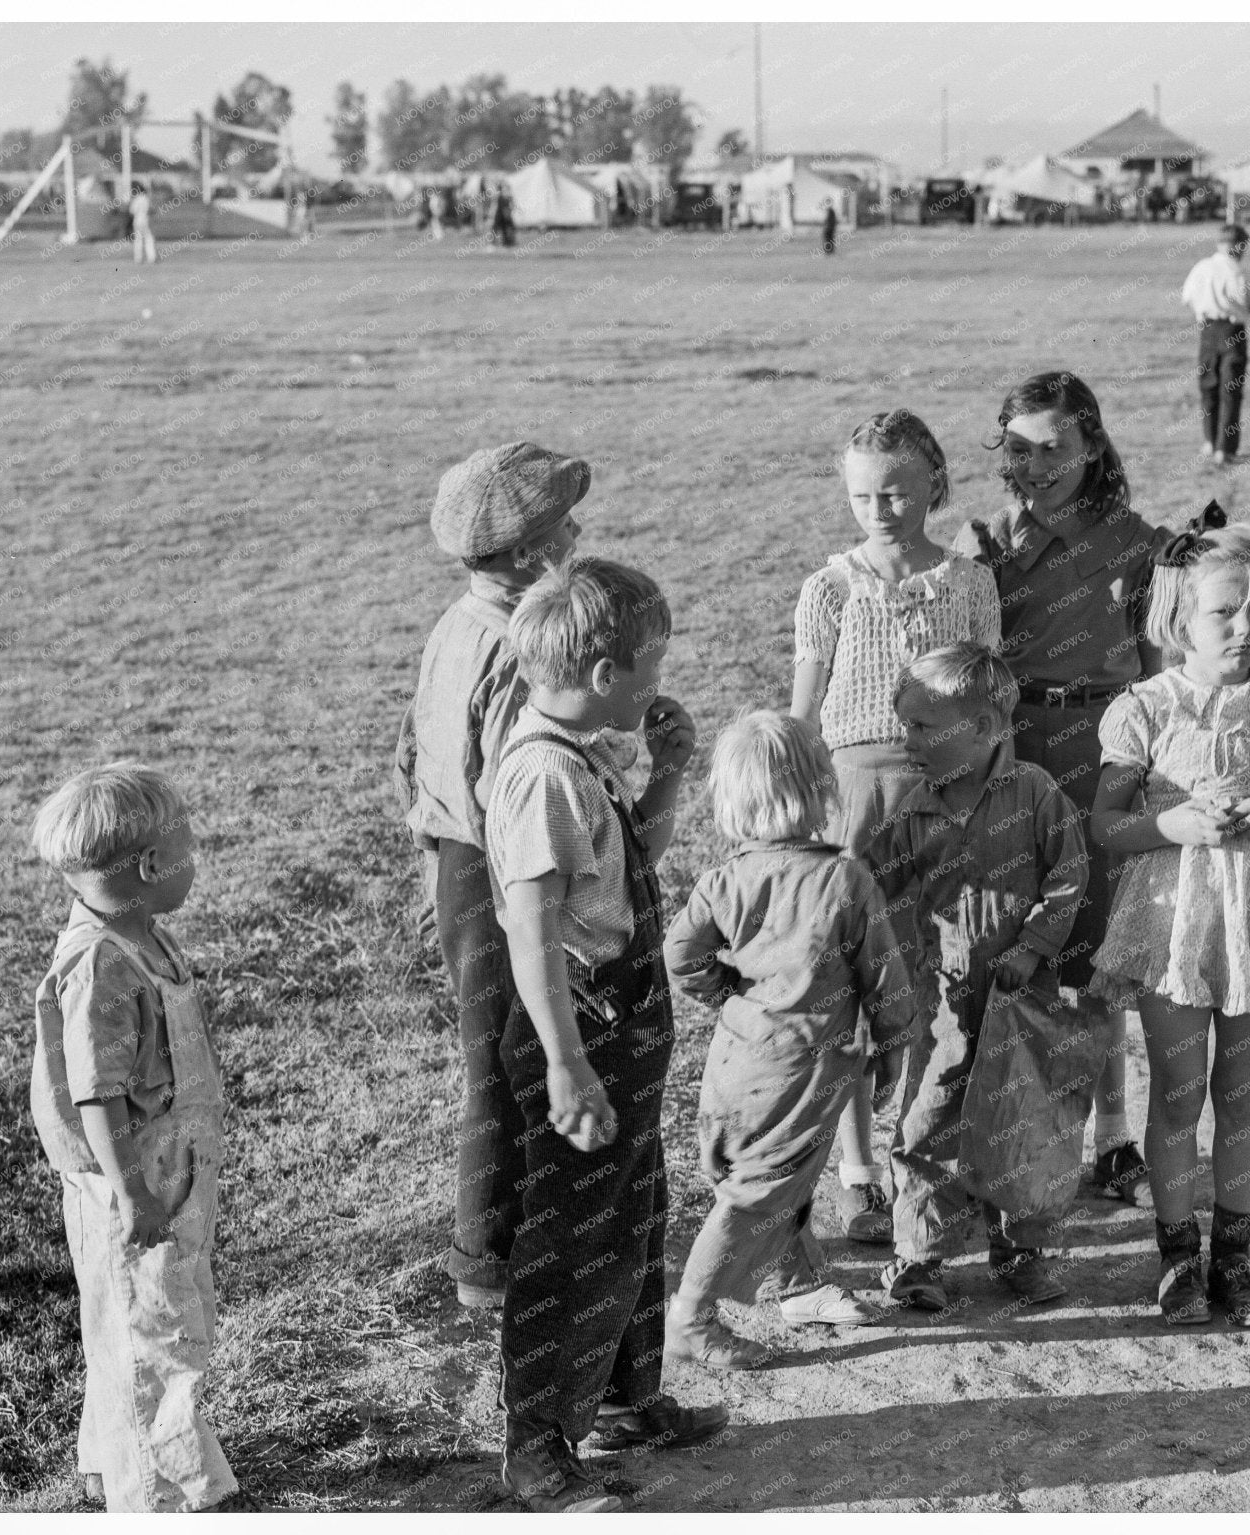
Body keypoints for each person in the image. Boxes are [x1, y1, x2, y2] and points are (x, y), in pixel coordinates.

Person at [484, 557, 725, 1512]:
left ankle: (628, 1396)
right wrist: (566, 1063)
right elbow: (532, 928)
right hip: (579, 1024)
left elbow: (629, 870)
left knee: (633, 1213)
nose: (657, 680)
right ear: (600, 672)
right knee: (575, 1236)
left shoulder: (581, 754)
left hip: (617, 1024)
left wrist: (668, 773)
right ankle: (536, 1448)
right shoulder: (543, 775)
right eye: (650, 664)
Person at [1088, 511, 1250, 1328]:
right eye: (1224, 611)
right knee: (1177, 1096)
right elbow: (1107, 825)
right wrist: (1172, 825)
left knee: (1244, 1094)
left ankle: (1236, 1258)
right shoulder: (1145, 710)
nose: (1244, 627)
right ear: (1178, 619)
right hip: (1173, 929)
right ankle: (1174, 1256)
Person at [790, 409, 1001, 1244]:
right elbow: (806, 714)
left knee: (936, 979)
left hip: (947, 792)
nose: (879, 509)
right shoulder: (830, 587)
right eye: (862, 494)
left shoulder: (970, 582)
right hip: (857, 797)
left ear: (935, 486)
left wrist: (995, 793)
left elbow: (992, 699)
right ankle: (858, 1171)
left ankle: (922, 1161)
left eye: (897, 492)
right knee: (853, 980)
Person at [964, 371, 1170, 1210]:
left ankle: (1114, 1134)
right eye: (1021, 447)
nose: (1039, 463)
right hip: (1014, 750)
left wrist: (1154, 765)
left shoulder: (1135, 542)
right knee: (1014, 940)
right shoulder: (986, 546)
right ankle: (1019, 1132)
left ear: (1092, 444)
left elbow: (1158, 668)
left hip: (1104, 746)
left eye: (1057, 446)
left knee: (1099, 950)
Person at [661, 712, 923, 1370]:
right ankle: (690, 1315)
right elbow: (888, 983)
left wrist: (728, 994)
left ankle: (799, 1282)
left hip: (735, 1058)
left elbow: (679, 954)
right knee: (759, 1188)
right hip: (804, 1069)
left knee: (780, 1175)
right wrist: (892, 1046)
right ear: (821, 792)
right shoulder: (846, 882)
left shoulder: (722, 882)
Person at [393, 443, 589, 1312]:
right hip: (497, 866)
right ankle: (489, 1256)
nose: (576, 533)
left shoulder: (454, 622)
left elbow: (409, 750)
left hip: (451, 858)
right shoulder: (518, 645)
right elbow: (510, 786)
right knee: (509, 1057)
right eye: (561, 526)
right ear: (525, 553)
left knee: (493, 1051)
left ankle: (495, 1245)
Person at [28, 763, 244, 1512]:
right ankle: (169, 1493)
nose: (196, 855)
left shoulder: (141, 934)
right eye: (189, 843)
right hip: (137, 1183)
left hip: (167, 1168)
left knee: (129, 1317)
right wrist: (130, 1191)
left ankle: (103, 1460)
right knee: (153, 1331)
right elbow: (96, 1092)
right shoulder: (99, 963)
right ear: (152, 865)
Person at [865, 645, 1093, 1312]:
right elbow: (874, 880)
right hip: (946, 1006)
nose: (906, 739)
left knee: (1022, 1120)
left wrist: (1035, 944)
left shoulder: (1035, 793)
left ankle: (1021, 1249)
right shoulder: (915, 809)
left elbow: (1069, 872)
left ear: (987, 729)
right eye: (904, 723)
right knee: (929, 1119)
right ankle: (919, 1256)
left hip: (1024, 1003)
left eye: (923, 727)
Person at [1182, 224, 1250, 464]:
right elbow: (1246, 304)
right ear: (1238, 246)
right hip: (1231, 331)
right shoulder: (1236, 271)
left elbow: (1188, 297)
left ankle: (1210, 441)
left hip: (1207, 331)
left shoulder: (1201, 268)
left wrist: (1203, 311)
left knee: (1208, 388)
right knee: (1230, 392)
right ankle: (1225, 448)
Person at [130, 181, 157, 264]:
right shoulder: (146, 198)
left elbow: (132, 211)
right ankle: (151, 258)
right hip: (145, 219)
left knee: (138, 239)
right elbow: (152, 209)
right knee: (148, 239)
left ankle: (138, 259)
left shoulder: (136, 199)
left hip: (137, 219)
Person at [490, 180, 516, 249]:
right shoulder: (503, 194)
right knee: (503, 229)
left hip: (500, 215)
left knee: (497, 229)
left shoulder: (501, 195)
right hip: (503, 215)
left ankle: (504, 243)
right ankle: (506, 243)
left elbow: (504, 206)